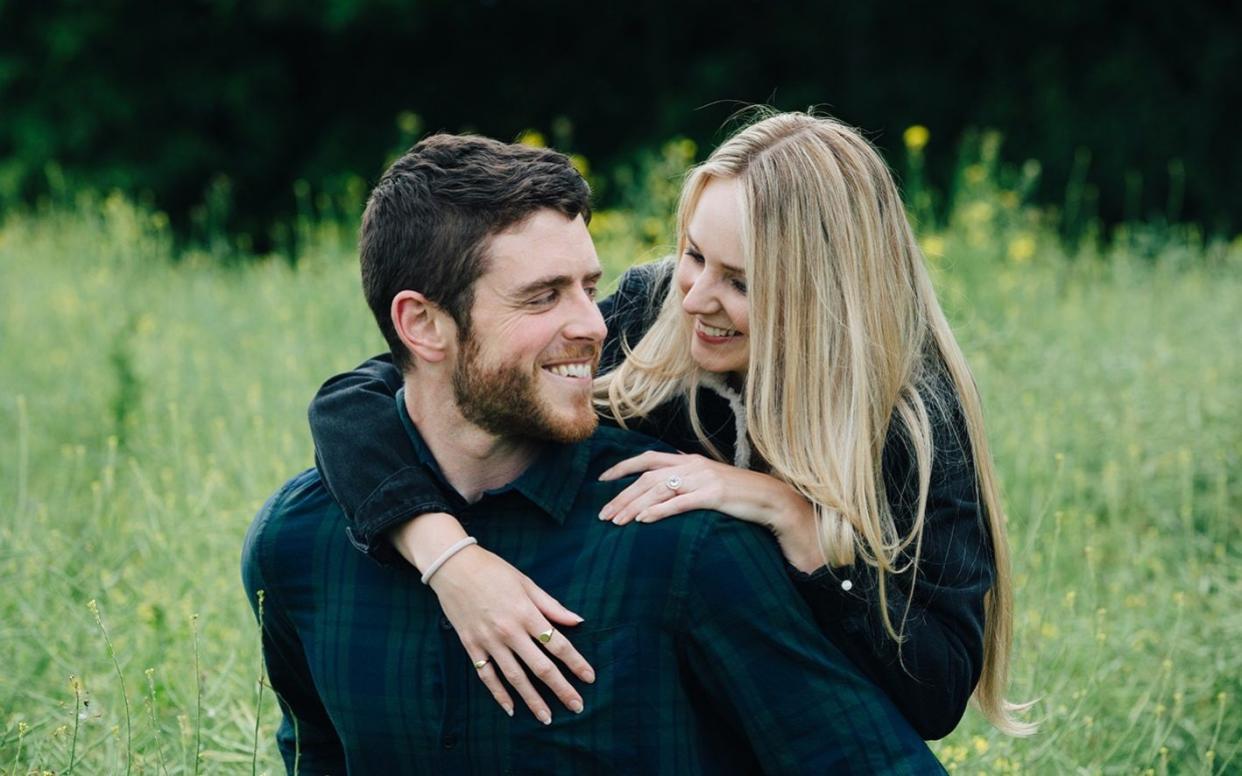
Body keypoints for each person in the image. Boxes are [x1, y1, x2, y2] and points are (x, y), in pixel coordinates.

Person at [308, 112, 1032, 740]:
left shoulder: (909, 418)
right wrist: (450, 560)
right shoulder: (653, 314)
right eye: (692, 255)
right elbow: (361, 400)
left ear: (825, 296)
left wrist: (797, 521)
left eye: (742, 283)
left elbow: (936, 691)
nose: (698, 299)